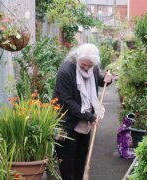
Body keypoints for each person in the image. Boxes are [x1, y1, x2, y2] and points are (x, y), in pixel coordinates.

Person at [53, 43, 112, 180]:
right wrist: (90, 116)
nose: (86, 68)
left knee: (81, 158)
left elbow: (98, 79)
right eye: (83, 65)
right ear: (77, 58)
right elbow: (66, 101)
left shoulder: (93, 68)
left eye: (89, 65)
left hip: (84, 125)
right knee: (67, 163)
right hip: (66, 123)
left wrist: (106, 80)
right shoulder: (65, 71)